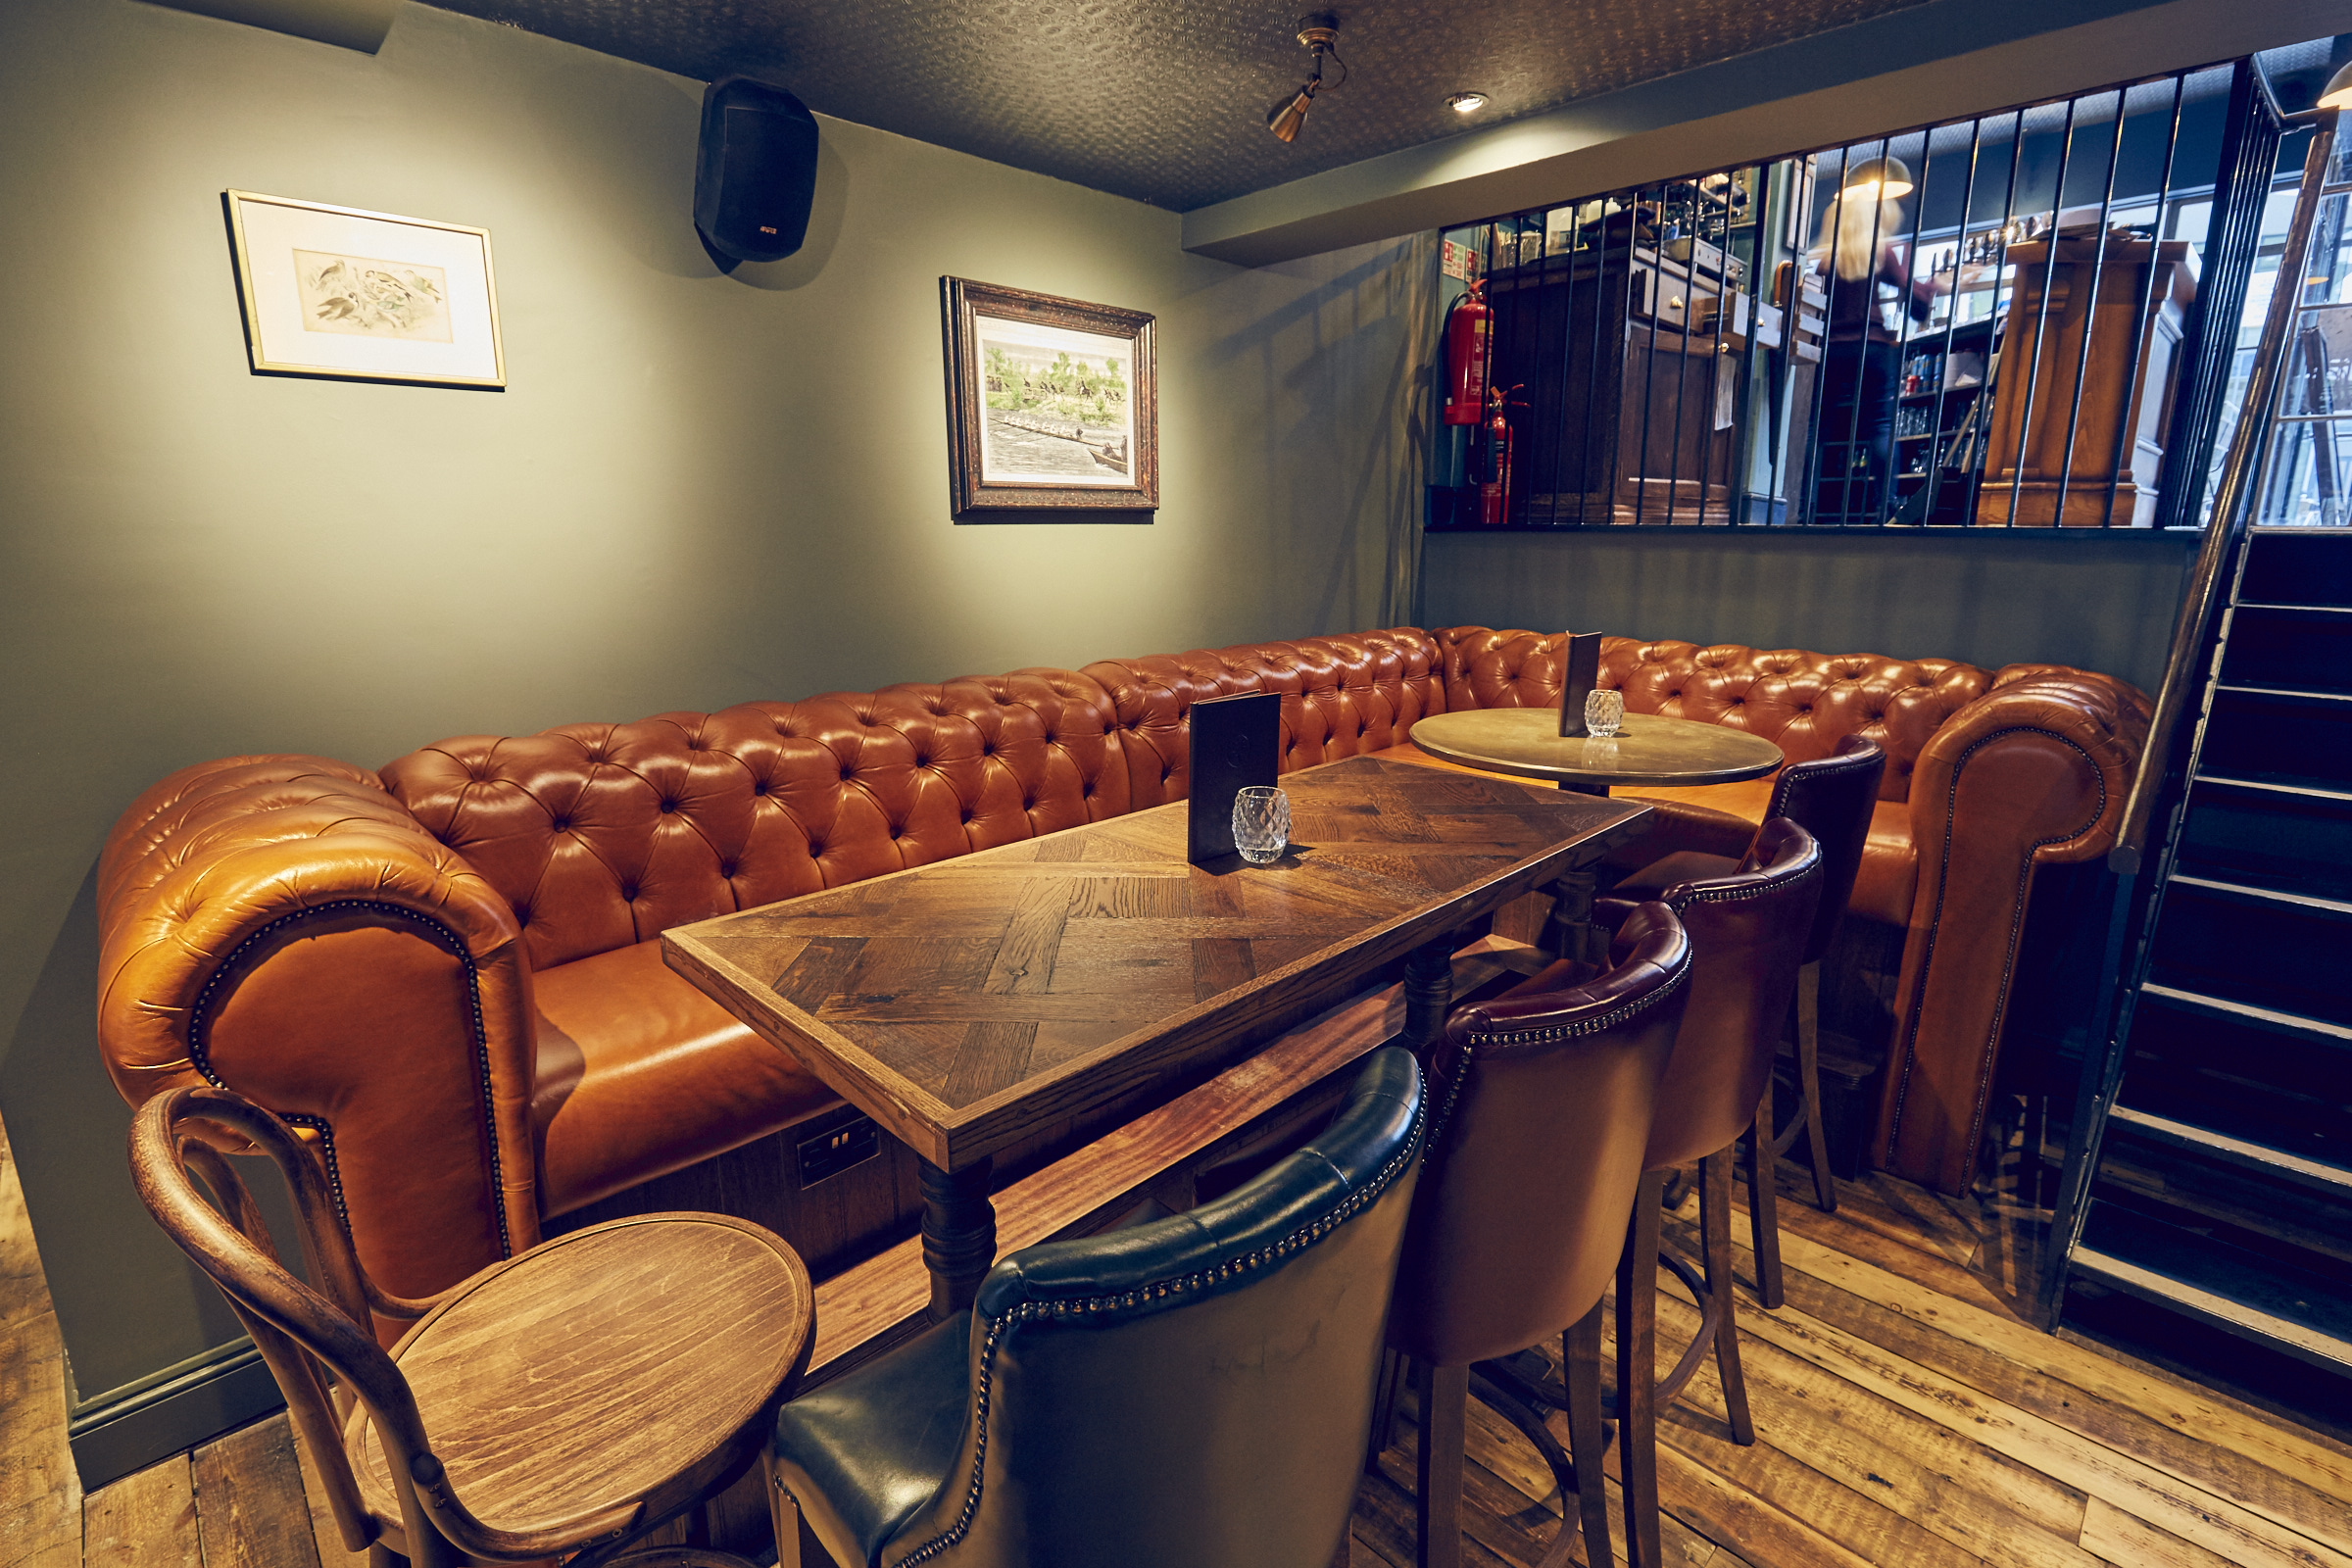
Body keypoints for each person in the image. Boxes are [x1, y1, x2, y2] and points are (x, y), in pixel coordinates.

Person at [1811, 187, 1937, 522]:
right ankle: (1886, 506)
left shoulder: (1826, 261)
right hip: (1872, 346)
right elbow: (1917, 305)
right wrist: (1930, 284)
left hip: (1832, 348)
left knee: (1818, 428)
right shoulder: (1881, 252)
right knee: (1879, 426)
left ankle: (1804, 503)